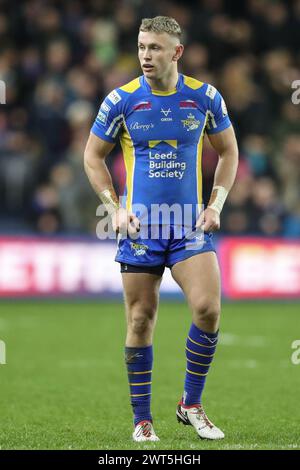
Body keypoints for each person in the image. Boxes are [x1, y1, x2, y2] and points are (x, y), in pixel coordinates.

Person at [84, 16, 238, 442]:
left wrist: (216, 205)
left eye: (154, 48)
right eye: (140, 47)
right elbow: (93, 156)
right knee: (139, 321)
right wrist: (113, 208)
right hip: (141, 229)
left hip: (190, 227)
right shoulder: (121, 100)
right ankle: (142, 420)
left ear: (177, 52)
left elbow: (228, 151)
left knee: (207, 309)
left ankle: (190, 404)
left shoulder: (204, 98)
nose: (145, 56)